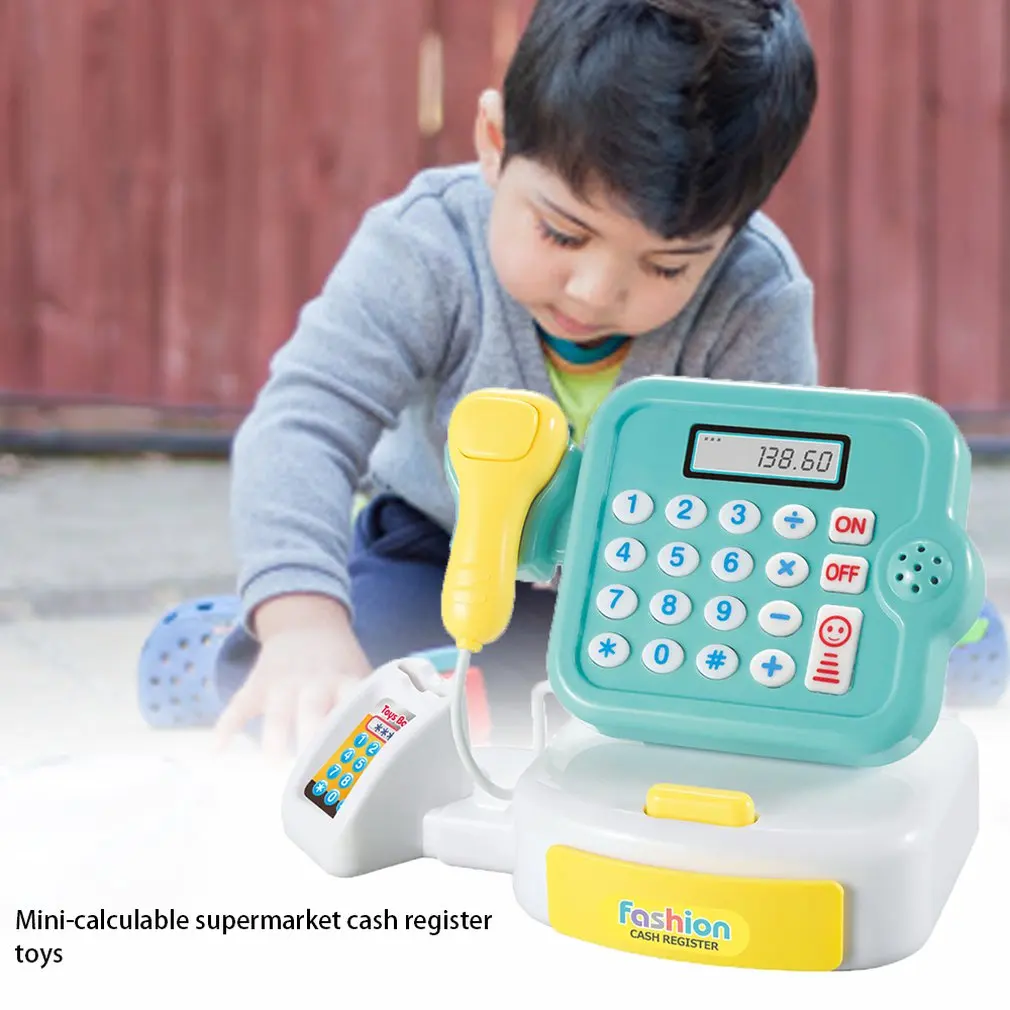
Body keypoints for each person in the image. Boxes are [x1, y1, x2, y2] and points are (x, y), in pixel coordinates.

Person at [202, 0, 824, 755]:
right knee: (334, 697)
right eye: (562, 233)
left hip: (647, 586)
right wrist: (302, 624)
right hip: (437, 557)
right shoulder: (428, 245)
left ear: (732, 232)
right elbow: (303, 424)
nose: (594, 292)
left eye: (667, 266)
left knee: (772, 697)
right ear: (495, 144)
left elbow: (771, 511)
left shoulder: (756, 297)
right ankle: (235, 639)